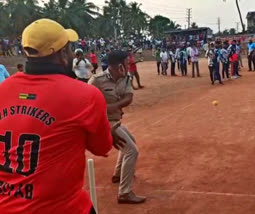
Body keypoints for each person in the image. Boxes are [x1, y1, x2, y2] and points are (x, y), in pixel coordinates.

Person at [0, 18, 116, 214]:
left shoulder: (3, 88)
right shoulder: (85, 95)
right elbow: (102, 147)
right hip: (62, 208)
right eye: (69, 49)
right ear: (62, 54)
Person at [88, 50, 146, 204]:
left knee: (129, 141)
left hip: (115, 119)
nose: (129, 66)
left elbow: (129, 97)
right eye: (127, 63)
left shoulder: (126, 77)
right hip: (105, 123)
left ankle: (118, 174)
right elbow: (87, 106)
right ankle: (124, 192)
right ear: (119, 66)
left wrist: (113, 106)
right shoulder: (96, 81)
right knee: (132, 151)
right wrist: (104, 125)